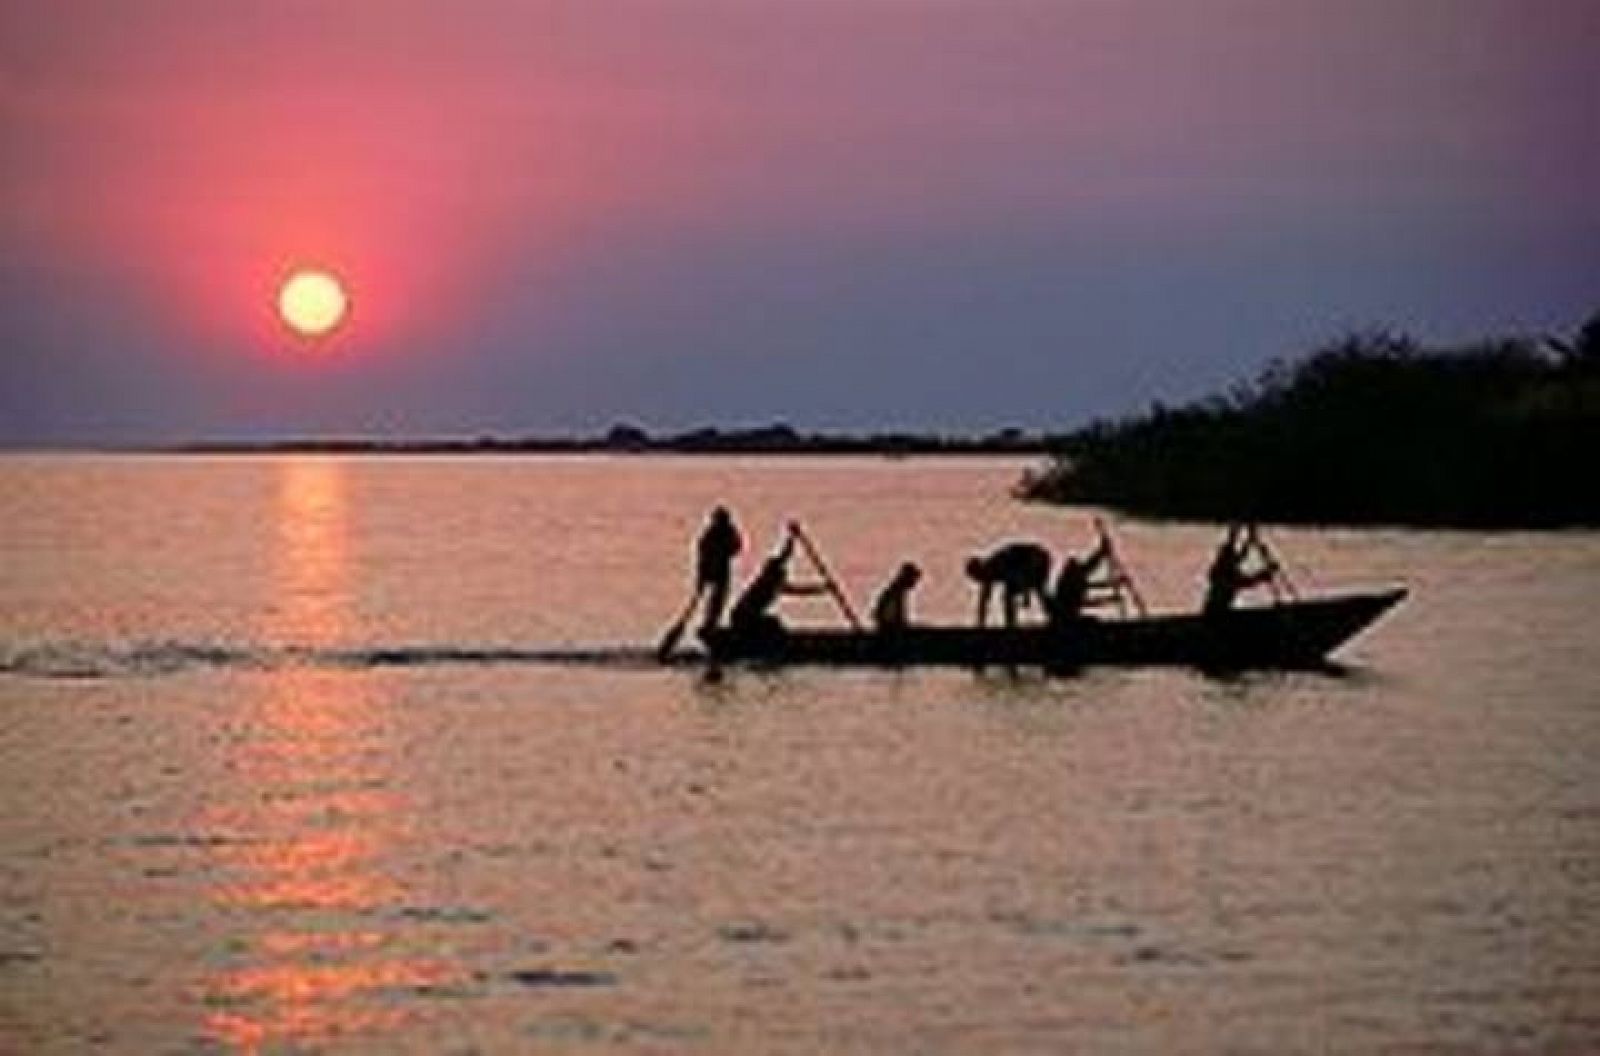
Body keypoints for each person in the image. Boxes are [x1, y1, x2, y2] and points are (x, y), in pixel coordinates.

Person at [727, 528, 827, 644]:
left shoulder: (774, 584)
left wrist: (820, 589)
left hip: (746, 617)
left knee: (773, 624)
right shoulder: (766, 582)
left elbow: (798, 590)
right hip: (742, 618)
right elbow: (783, 555)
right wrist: (791, 538)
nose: (784, 577)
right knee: (773, 625)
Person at [965, 541, 1052, 628]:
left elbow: (1021, 576)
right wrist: (981, 623)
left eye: (977, 578)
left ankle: (1011, 624)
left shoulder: (996, 566)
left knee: (1016, 593)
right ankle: (1011, 624)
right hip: (1033, 561)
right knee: (1014, 593)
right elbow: (984, 599)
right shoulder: (989, 572)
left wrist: (1026, 595)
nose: (981, 582)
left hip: (1036, 559)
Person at [1202, 524, 1278, 616]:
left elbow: (1237, 553)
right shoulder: (1224, 575)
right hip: (1217, 611)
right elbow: (1250, 577)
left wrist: (1249, 539)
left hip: (1215, 609)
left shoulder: (1221, 572)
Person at [694, 506, 743, 633]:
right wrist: (701, 577)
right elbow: (702, 554)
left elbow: (736, 547)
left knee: (717, 600)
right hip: (712, 570)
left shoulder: (727, 531)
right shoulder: (711, 534)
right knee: (714, 599)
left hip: (720, 571)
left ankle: (710, 624)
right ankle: (709, 624)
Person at [1047, 532, 1112, 626]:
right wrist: (1104, 600)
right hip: (1065, 621)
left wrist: (1102, 551)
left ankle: (1102, 551)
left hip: (1068, 617)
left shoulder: (1074, 578)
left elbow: (1090, 567)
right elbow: (1081, 602)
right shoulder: (1069, 584)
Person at [871, 561, 922, 633]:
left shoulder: (897, 592)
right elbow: (888, 616)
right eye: (913, 579)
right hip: (889, 632)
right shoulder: (895, 593)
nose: (914, 583)